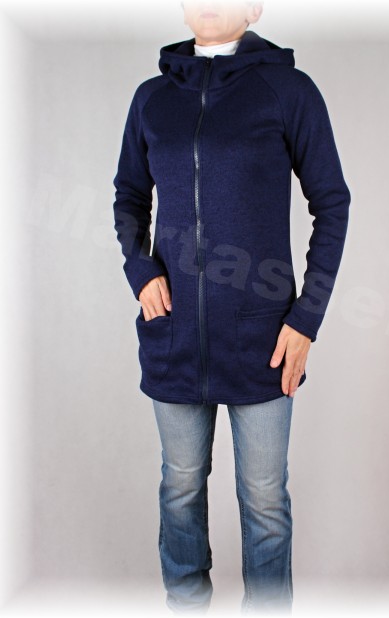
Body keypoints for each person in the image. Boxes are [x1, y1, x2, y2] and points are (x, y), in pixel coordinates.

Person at [112, 0, 351, 614]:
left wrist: (306, 320)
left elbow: (332, 203)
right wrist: (141, 271)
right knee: (180, 489)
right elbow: (129, 197)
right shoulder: (151, 100)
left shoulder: (288, 91)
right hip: (173, 337)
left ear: (254, 8)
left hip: (262, 339)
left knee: (265, 501)